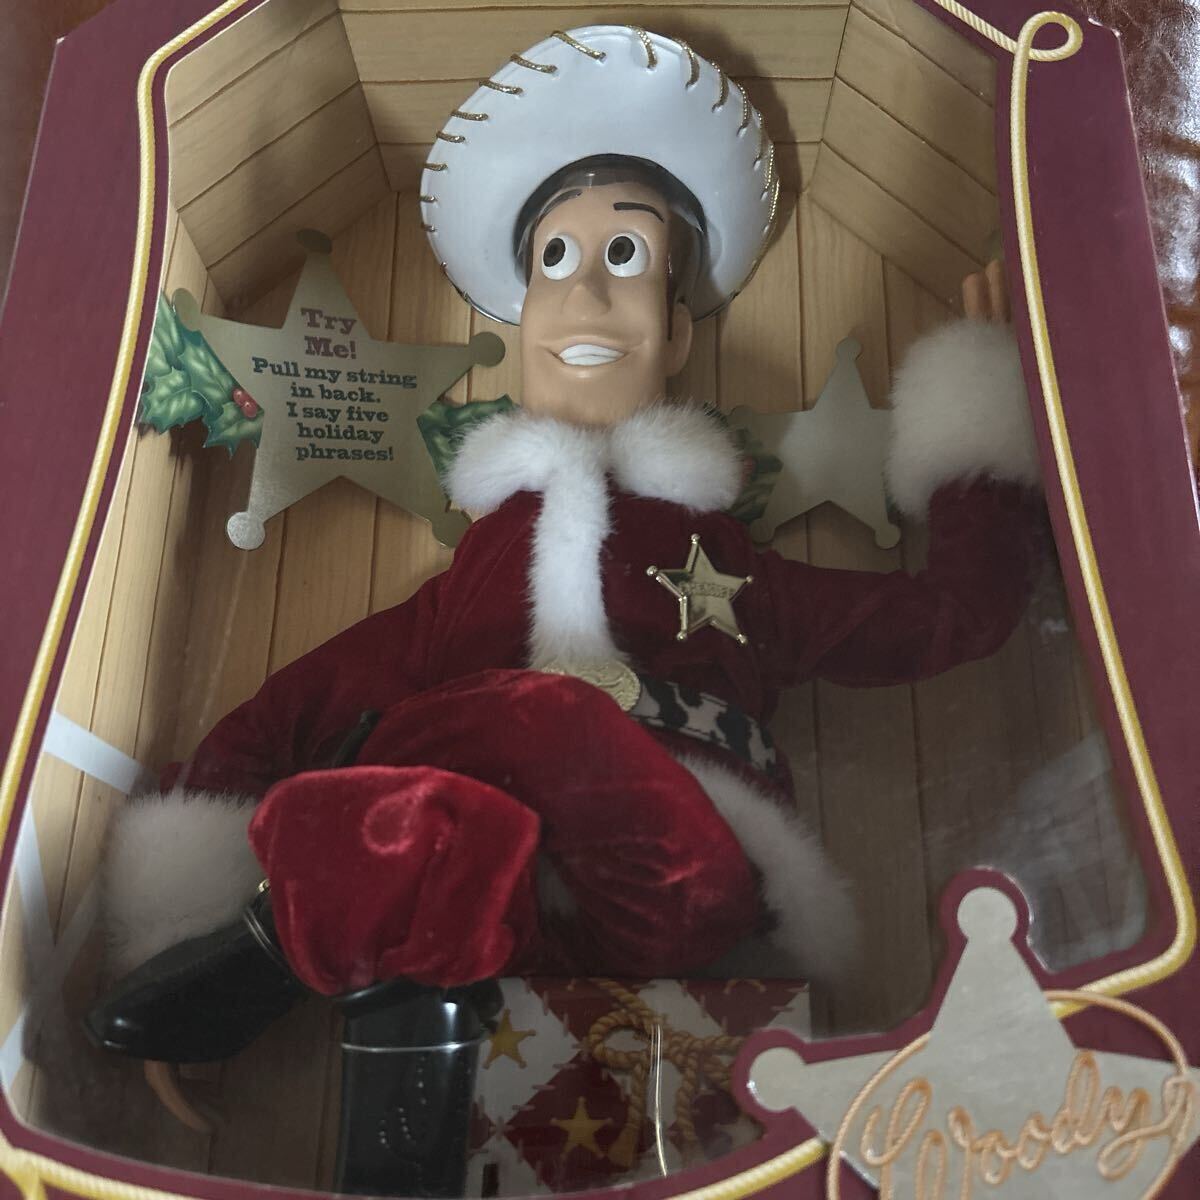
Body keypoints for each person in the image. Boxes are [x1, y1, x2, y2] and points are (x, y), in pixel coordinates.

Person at [85, 26, 1041, 1193]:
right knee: (412, 789)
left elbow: (953, 616)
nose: (584, 290)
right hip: (485, 911)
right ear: (519, 316)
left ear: (678, 329)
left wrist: (993, 408)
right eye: (555, 258)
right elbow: (280, 717)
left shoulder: (731, 566)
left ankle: (281, 945)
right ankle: (319, 1036)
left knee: (515, 725)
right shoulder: (466, 587)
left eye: (624, 256)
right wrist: (180, 924)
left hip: (675, 876)